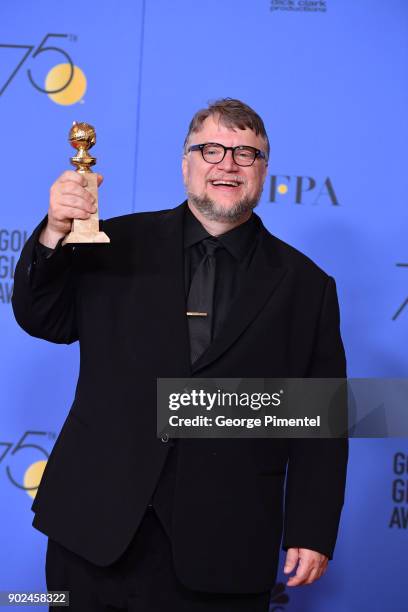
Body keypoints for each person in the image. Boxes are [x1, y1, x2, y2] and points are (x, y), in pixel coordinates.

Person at [12, 98, 348, 612]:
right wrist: (55, 232)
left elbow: (323, 422)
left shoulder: (307, 287)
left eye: (245, 153)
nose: (227, 164)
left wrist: (313, 528)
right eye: (210, 149)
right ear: (186, 163)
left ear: (263, 170)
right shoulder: (110, 241)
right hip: (94, 531)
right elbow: (43, 318)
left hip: (226, 546)